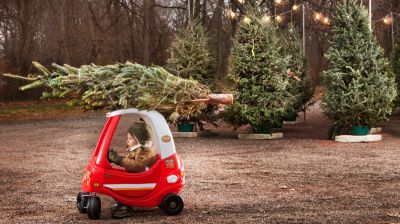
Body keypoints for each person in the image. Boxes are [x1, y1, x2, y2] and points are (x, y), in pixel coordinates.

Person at [107, 122, 156, 218]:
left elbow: (137, 165)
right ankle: (124, 203)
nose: (127, 141)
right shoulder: (138, 149)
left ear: (139, 140)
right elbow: (129, 161)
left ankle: (124, 206)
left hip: (144, 179)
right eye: (128, 138)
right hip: (138, 176)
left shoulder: (147, 151)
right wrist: (114, 158)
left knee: (119, 184)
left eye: (130, 139)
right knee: (115, 178)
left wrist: (119, 160)